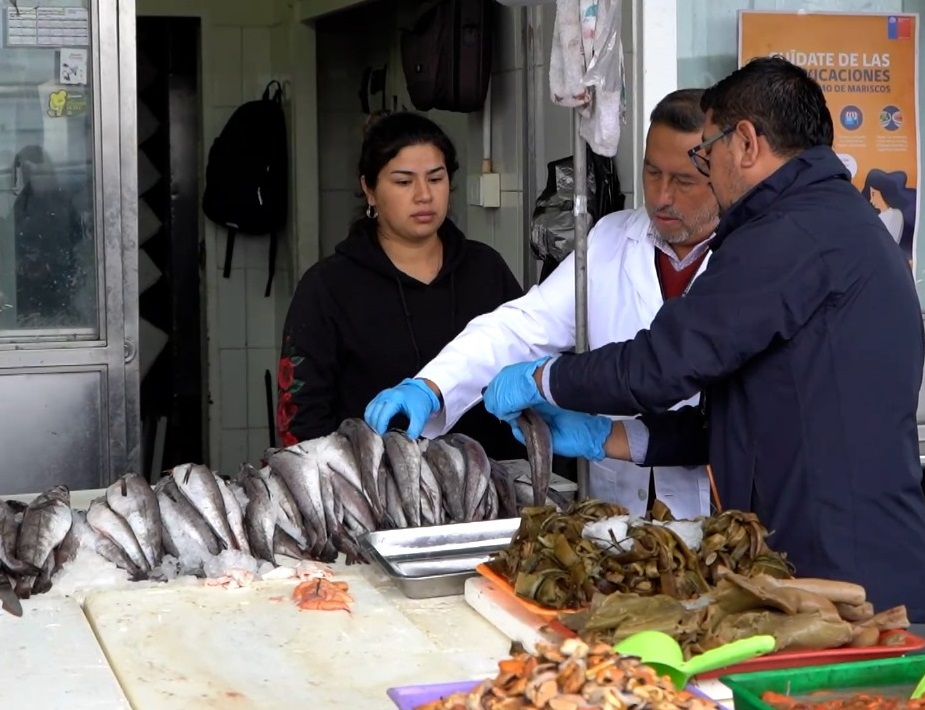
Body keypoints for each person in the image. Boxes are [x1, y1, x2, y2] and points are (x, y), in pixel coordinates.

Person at [480, 57, 925, 621]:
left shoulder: (789, 236)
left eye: (702, 155)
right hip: (838, 548)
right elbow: (751, 419)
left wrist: (545, 376)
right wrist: (611, 438)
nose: (705, 171)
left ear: (744, 142)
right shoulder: (831, 221)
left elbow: (662, 366)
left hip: (843, 568)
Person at [365, 89, 720, 518]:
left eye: (683, 180)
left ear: (721, 172)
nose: (661, 197)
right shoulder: (610, 240)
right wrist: (432, 386)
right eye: (651, 173)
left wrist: (593, 423)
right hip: (615, 511)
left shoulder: (748, 261)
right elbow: (522, 326)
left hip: (717, 506)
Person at [277, 111, 524, 459]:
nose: (424, 195)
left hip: (489, 490)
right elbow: (302, 416)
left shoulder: (485, 269)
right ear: (369, 189)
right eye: (404, 182)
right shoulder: (328, 286)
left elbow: (529, 365)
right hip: (370, 498)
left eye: (435, 179)